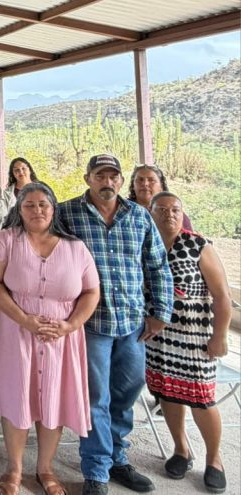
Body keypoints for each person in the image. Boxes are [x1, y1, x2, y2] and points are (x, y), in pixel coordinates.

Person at [59, 154, 173, 495]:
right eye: (100, 175)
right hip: (90, 323)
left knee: (126, 393)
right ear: (87, 178)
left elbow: (157, 265)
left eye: (113, 176)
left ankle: (117, 458)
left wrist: (161, 312)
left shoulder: (139, 216)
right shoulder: (67, 213)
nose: (107, 182)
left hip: (133, 324)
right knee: (96, 397)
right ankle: (96, 470)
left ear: (121, 181)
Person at [0, 182, 100, 495]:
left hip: (62, 338)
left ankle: (45, 469)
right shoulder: (5, 240)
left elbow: (91, 291)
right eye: (29, 205)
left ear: (53, 208)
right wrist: (24, 319)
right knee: (17, 400)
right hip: (16, 333)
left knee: (53, 401)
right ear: (19, 210)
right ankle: (14, 469)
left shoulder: (76, 247)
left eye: (43, 204)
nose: (37, 210)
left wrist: (70, 325)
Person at [145, 192, 230, 493]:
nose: (169, 214)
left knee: (202, 399)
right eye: (162, 209)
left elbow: (222, 296)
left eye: (175, 209)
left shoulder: (198, 245)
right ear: (151, 213)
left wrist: (219, 336)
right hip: (159, 338)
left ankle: (214, 458)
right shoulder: (147, 244)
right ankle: (181, 449)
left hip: (195, 337)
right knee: (168, 394)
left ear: (182, 214)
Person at [128, 164, 194, 231]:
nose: (145, 184)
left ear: (161, 186)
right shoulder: (123, 210)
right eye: (140, 180)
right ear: (133, 185)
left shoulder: (174, 214)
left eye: (151, 180)